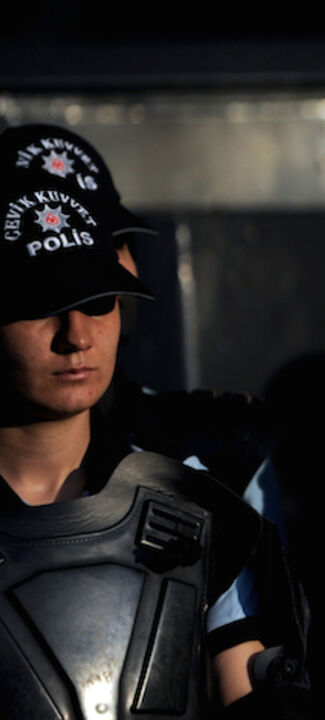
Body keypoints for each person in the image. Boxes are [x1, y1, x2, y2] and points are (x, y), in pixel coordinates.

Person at [0, 130, 299, 718]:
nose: (77, 336)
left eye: (100, 302)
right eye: (40, 306)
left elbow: (247, 690)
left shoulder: (190, 502)